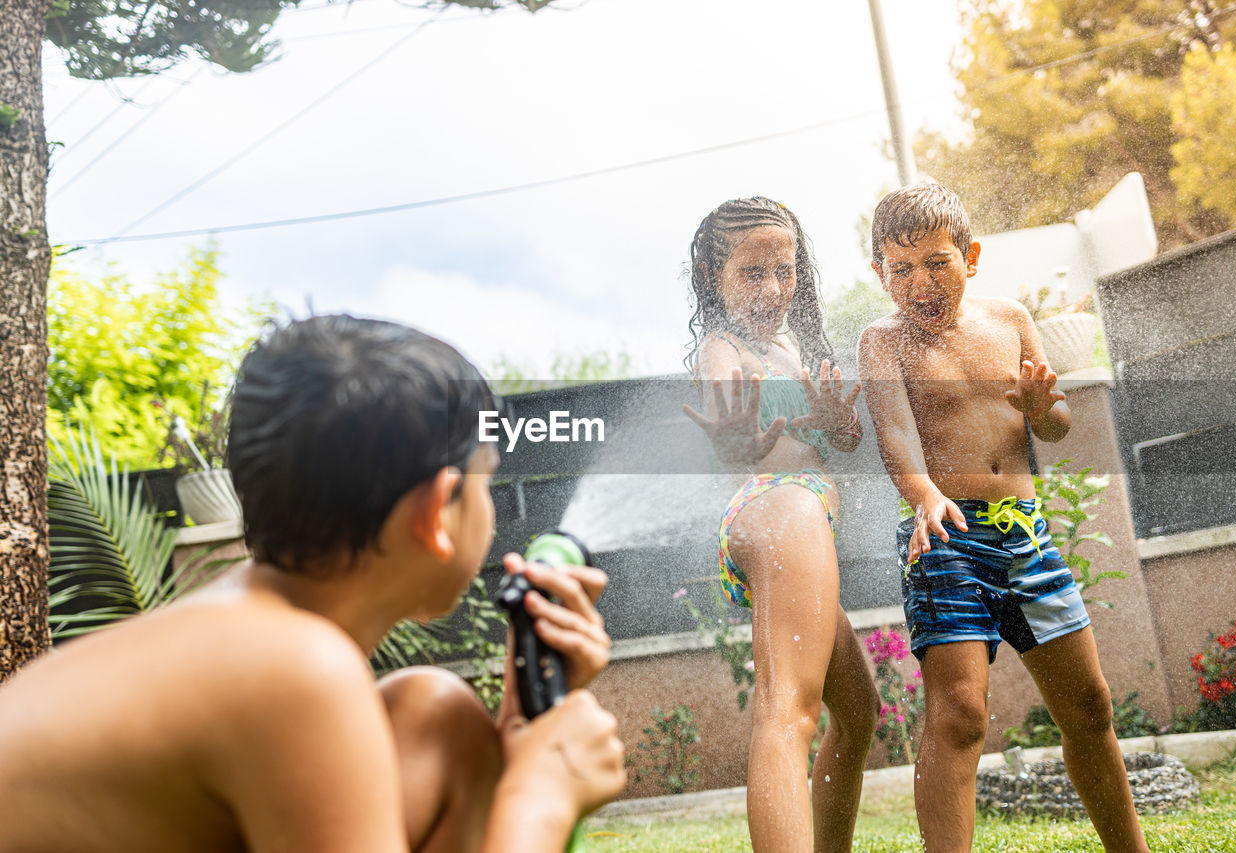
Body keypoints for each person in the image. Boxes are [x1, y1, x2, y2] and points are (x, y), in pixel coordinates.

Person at [0, 314, 626, 853]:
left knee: (436, 720)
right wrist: (540, 797)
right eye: (487, 479)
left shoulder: (247, 633)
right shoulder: (295, 668)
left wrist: (522, 725)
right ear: (439, 512)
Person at [857, 180, 1150, 852]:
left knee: (1088, 706)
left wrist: (1043, 407)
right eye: (900, 269)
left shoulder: (1012, 320)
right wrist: (926, 496)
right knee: (959, 713)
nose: (919, 283)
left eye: (936, 261)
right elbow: (896, 436)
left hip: (1027, 542)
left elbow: (1056, 425)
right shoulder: (884, 343)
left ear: (972, 256)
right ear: (879, 273)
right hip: (948, 542)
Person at [681, 197, 880, 853]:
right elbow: (730, 435)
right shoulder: (723, 349)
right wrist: (735, 439)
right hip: (776, 508)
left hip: (801, 521)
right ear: (713, 275)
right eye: (753, 272)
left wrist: (837, 424)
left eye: (785, 270)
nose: (773, 288)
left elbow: (843, 441)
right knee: (786, 708)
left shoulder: (795, 346)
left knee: (858, 711)